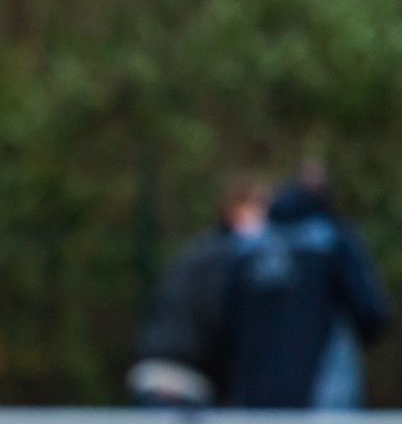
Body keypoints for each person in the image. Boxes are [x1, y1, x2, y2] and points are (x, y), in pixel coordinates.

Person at [222, 161, 392, 408]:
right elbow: (372, 314)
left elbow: (223, 321)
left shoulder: (246, 248)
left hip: (255, 402)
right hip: (323, 399)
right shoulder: (335, 242)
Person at [128, 173, 271, 406]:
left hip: (166, 370)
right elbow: (221, 319)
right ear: (237, 210)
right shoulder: (226, 258)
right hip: (180, 377)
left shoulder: (203, 251)